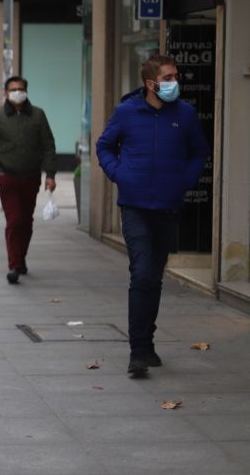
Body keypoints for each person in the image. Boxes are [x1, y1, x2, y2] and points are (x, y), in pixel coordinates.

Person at [96, 54, 209, 378]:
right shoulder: (127, 112)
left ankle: (148, 343)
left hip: (168, 206)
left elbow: (199, 151)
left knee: (153, 277)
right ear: (151, 83)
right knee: (142, 274)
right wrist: (120, 174)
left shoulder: (185, 115)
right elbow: (104, 146)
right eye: (169, 77)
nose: (175, 82)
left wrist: (185, 180)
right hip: (134, 206)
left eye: (176, 76)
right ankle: (138, 351)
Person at [0, 76, 56, 285]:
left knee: (26, 222)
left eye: (21, 89)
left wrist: (50, 174)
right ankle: (13, 265)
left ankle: (21, 257)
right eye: (13, 89)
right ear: (6, 93)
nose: (18, 92)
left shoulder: (38, 116)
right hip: (8, 178)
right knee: (14, 221)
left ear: (26, 91)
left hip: (31, 177)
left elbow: (48, 146)